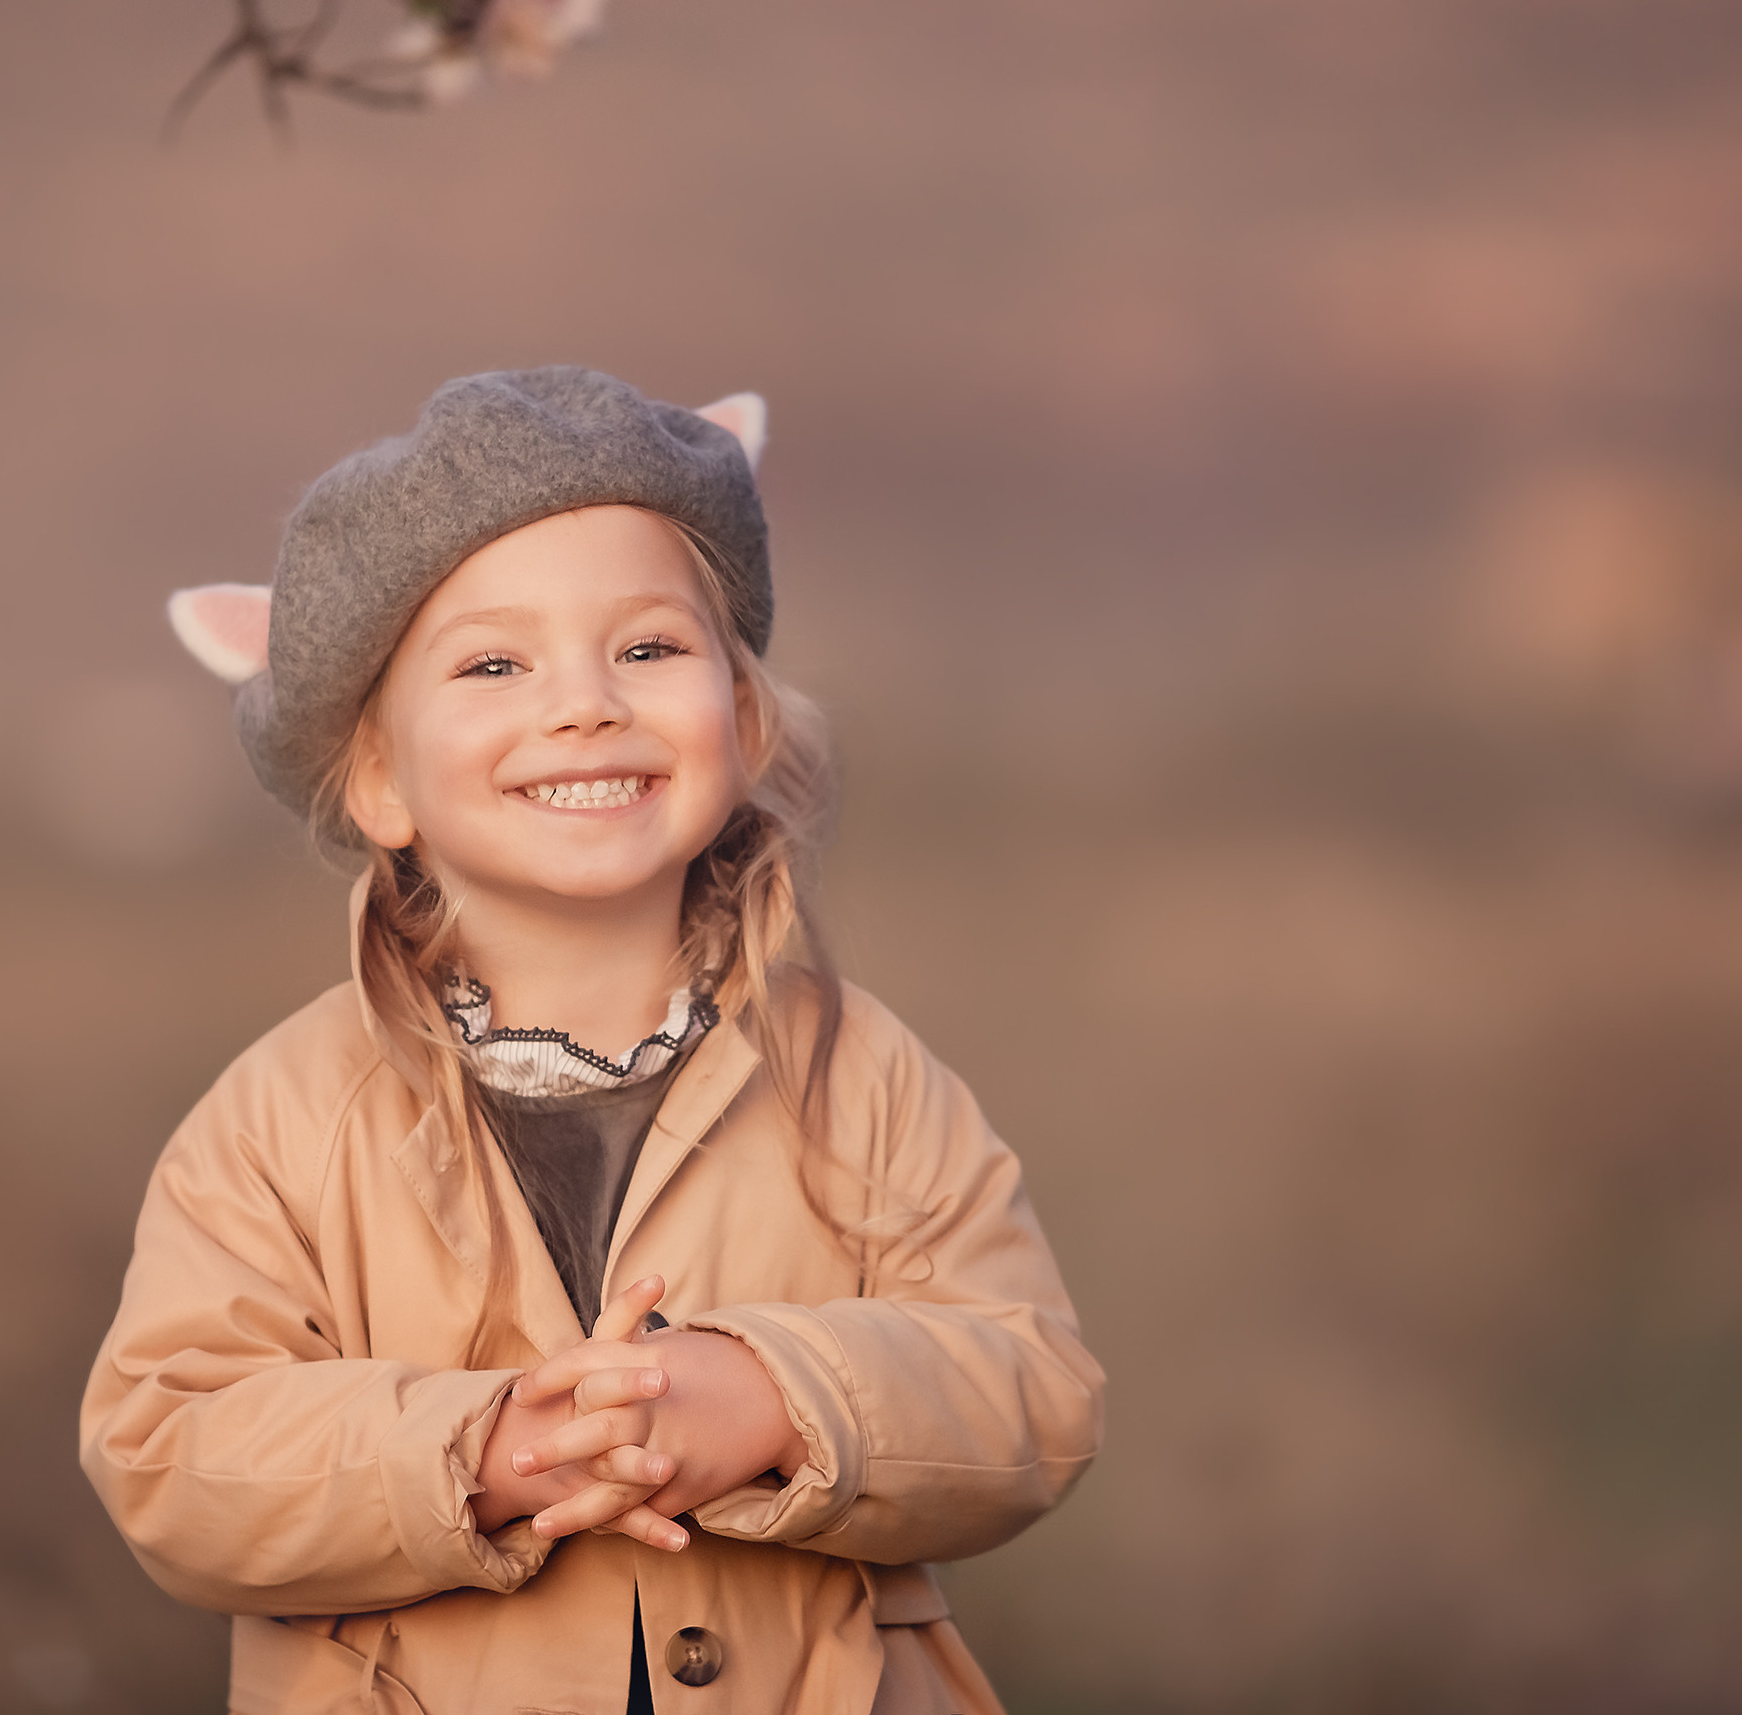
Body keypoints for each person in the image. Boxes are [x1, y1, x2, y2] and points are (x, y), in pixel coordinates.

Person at [80, 367, 1103, 1714]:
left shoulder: (858, 1073)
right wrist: (478, 1449)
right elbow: (167, 1448)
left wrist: (778, 1398)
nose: (585, 705)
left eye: (648, 648)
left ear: (739, 721)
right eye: (496, 663)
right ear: (380, 775)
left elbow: (1029, 1383)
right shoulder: (280, 1117)